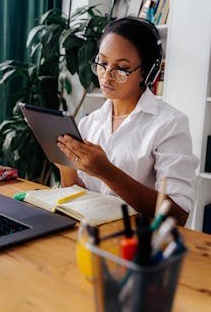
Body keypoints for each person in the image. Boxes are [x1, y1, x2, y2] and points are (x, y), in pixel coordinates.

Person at [57, 17, 199, 226]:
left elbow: (178, 214)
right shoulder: (89, 122)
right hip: (89, 237)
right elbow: (82, 198)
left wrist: (107, 172)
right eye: (103, 64)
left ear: (146, 72)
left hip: (138, 244)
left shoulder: (170, 124)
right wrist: (66, 168)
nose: (107, 76)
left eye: (122, 69)